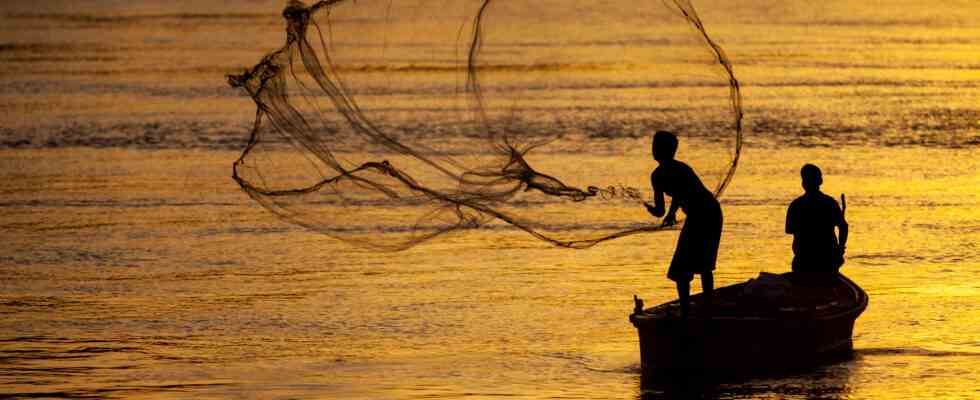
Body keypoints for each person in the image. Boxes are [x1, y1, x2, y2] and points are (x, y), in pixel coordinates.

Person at [644, 131, 723, 318]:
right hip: (699, 215)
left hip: (708, 213)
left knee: (698, 264)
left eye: (657, 147)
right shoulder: (658, 176)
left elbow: (680, 192)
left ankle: (700, 308)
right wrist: (652, 210)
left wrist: (671, 214)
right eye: (654, 146)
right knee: (689, 266)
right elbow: (660, 210)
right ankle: (691, 308)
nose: (654, 150)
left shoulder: (679, 170)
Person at [785, 164, 848, 274]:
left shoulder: (796, 205)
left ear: (803, 183)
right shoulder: (830, 203)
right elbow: (843, 227)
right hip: (826, 261)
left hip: (804, 261)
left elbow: (790, 230)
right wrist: (840, 248)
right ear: (820, 181)